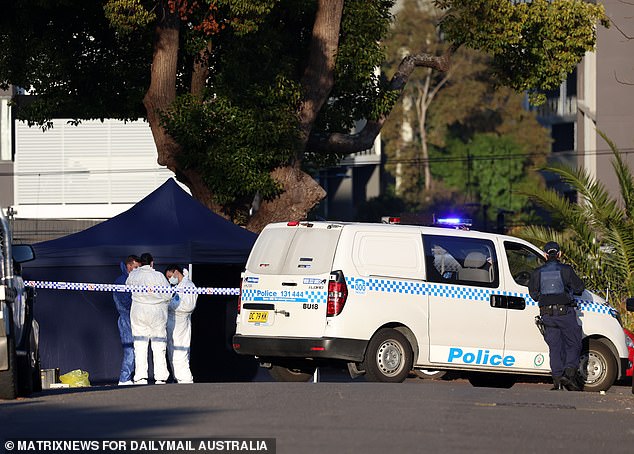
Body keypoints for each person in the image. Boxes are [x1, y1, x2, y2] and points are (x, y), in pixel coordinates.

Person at [528, 241, 585, 391]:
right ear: (559, 254)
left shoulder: (537, 272)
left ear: (545, 255)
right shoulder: (566, 270)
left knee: (555, 347)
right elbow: (579, 288)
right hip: (565, 313)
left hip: (547, 315)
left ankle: (557, 381)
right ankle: (569, 374)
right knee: (574, 343)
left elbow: (533, 295)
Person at [126, 252, 172, 385]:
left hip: (138, 311)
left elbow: (128, 287)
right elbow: (168, 295)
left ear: (141, 263)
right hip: (156, 312)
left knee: (139, 344)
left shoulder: (134, 274)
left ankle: (140, 377)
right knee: (159, 345)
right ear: (152, 262)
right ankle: (161, 377)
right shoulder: (158, 276)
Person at [164, 264, 198, 383]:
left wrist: (170, 305)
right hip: (173, 324)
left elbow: (189, 306)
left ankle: (186, 381)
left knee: (180, 354)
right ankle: (178, 379)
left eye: (169, 276)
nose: (169, 280)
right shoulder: (177, 287)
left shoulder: (189, 286)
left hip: (181, 324)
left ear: (176, 272)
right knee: (172, 354)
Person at [112, 255, 140, 385]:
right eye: (135, 267)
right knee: (130, 349)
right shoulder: (121, 281)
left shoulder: (132, 279)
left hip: (134, 318)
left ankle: (132, 376)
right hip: (127, 318)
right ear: (129, 266)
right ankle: (124, 378)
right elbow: (125, 302)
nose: (137, 270)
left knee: (137, 348)